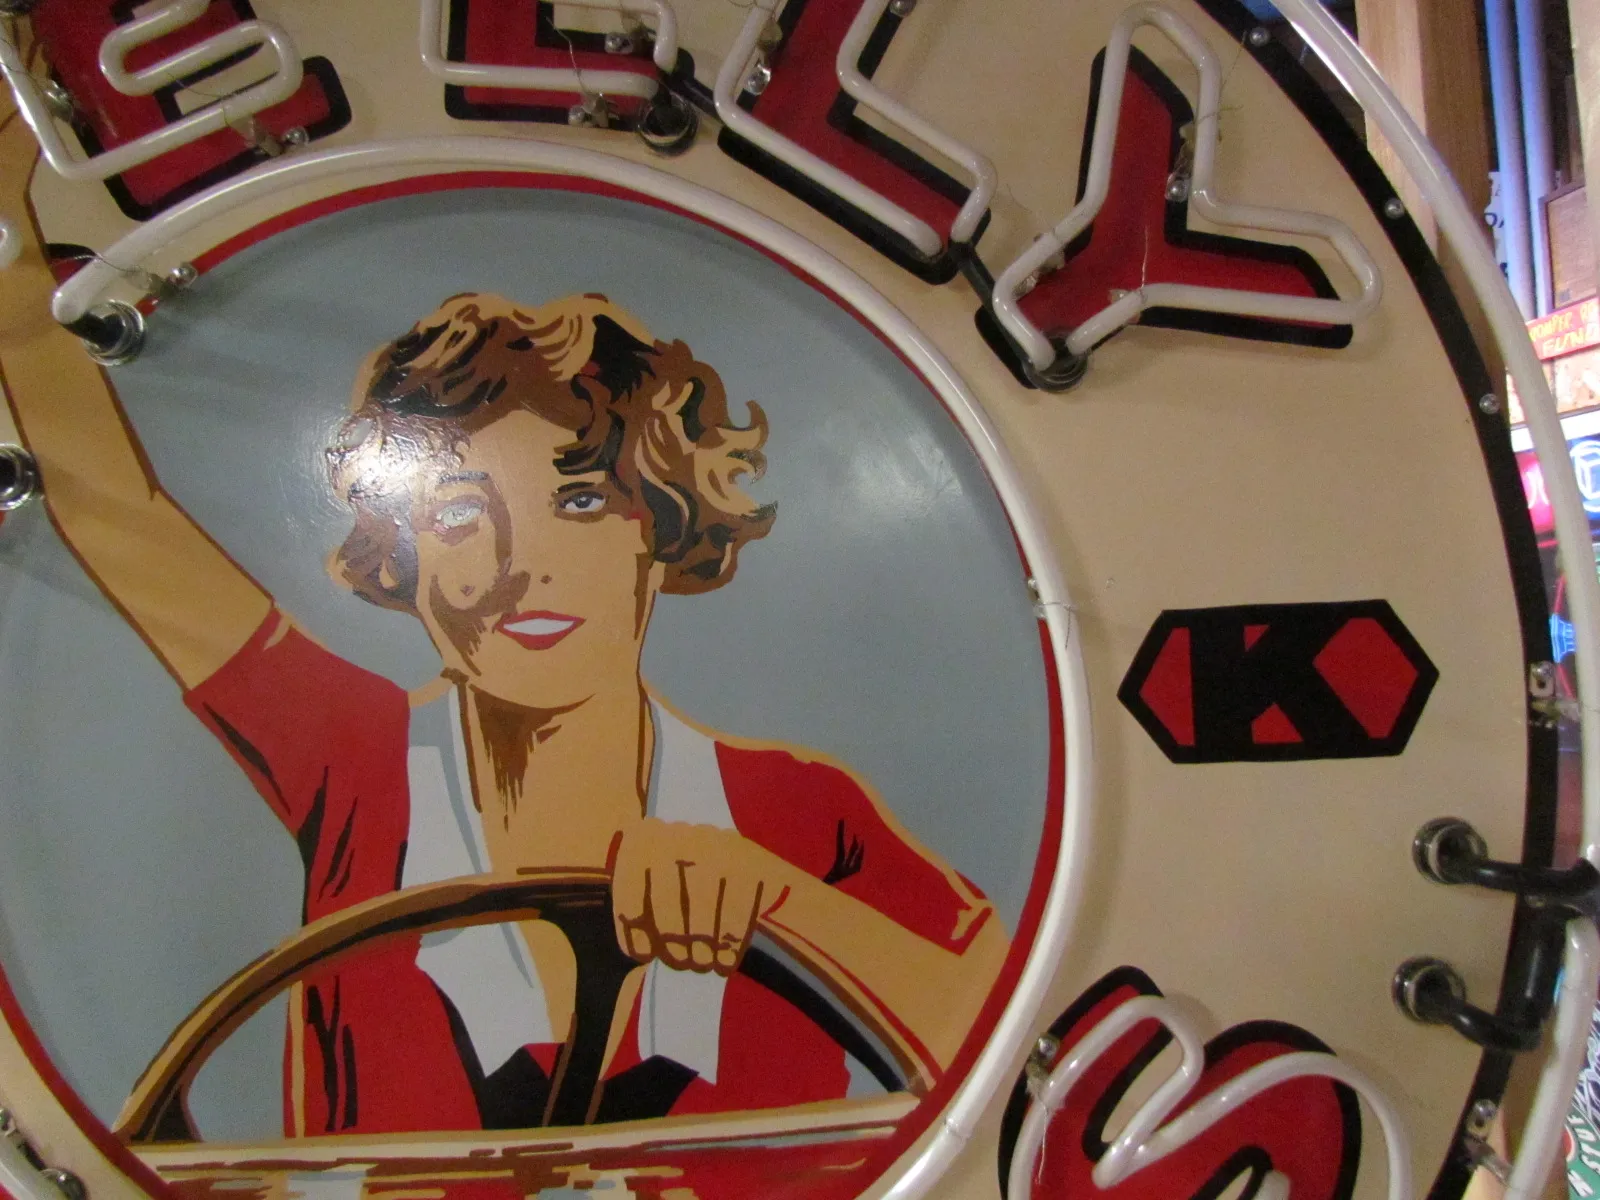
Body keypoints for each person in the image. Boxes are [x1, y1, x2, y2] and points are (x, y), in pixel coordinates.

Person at [0, 121, 1005, 1138]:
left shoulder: (803, 814)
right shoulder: (355, 764)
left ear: (660, 533)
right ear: (404, 561)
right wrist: (12, 272)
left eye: (581, 503)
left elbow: (1017, 1027)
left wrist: (777, 903)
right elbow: (122, 519)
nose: (522, 568)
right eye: (457, 514)